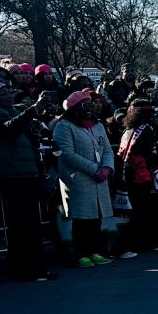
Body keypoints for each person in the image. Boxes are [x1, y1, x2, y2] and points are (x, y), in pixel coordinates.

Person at [0, 79, 58, 280]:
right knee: (23, 226)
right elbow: (8, 131)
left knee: (29, 225)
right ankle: (29, 269)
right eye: (3, 93)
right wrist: (33, 109)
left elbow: (22, 134)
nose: (9, 95)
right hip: (10, 177)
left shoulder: (15, 115)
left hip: (26, 175)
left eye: (9, 92)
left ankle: (25, 268)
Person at [54, 91, 114, 267]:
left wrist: (107, 168)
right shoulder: (64, 126)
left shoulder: (98, 126)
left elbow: (108, 150)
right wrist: (94, 169)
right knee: (82, 218)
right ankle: (82, 253)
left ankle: (96, 250)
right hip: (78, 177)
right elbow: (67, 153)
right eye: (86, 105)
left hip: (100, 177)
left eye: (91, 104)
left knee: (97, 216)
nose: (90, 108)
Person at [114, 98, 158, 257]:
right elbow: (148, 155)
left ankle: (147, 244)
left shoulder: (128, 130)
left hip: (128, 175)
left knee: (143, 211)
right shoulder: (147, 129)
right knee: (144, 212)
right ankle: (123, 248)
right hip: (141, 177)